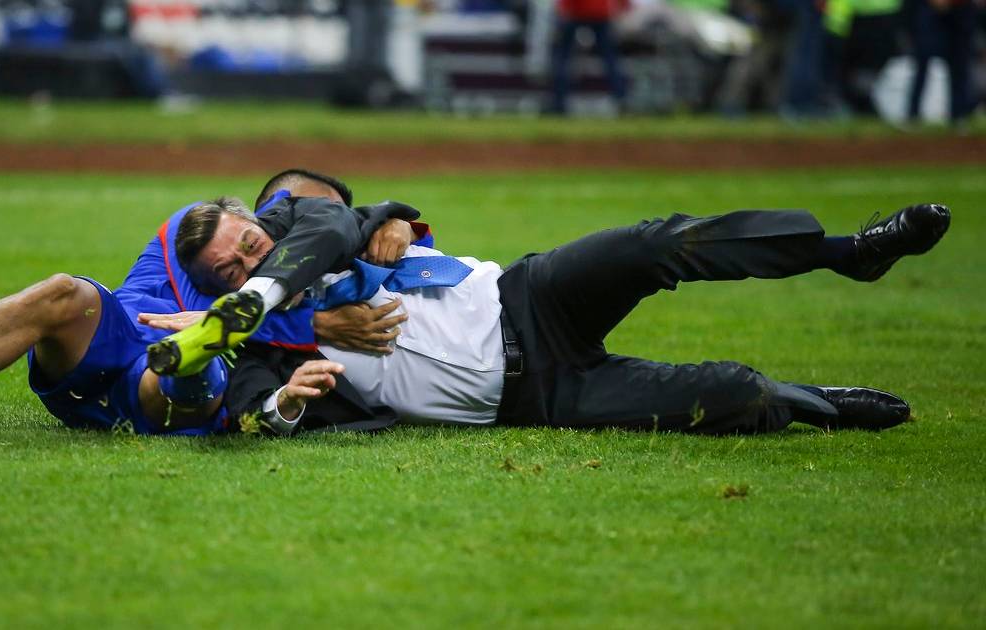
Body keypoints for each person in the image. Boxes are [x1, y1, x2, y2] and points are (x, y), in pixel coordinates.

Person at [151, 197, 951, 436]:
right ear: (213, 295)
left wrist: (388, 221)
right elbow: (252, 409)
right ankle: (818, 403)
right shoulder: (269, 348)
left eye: (249, 246)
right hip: (537, 397)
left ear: (260, 225)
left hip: (528, 295)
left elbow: (336, 221)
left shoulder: (312, 229)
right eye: (230, 274)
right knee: (733, 394)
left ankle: (850, 252)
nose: (249, 264)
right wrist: (287, 399)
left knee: (656, 244)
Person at [0, 171, 421, 438]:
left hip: (172, 389)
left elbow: (389, 240)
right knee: (63, 291)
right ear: (265, 211)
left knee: (195, 364)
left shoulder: (336, 247)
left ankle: (193, 352)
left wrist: (399, 223)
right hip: (112, 341)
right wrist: (313, 322)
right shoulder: (202, 229)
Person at [906, 0, 979, 128]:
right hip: (930, 11)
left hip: (960, 12)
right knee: (922, 63)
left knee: (959, 67)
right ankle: (912, 115)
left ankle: (958, 115)